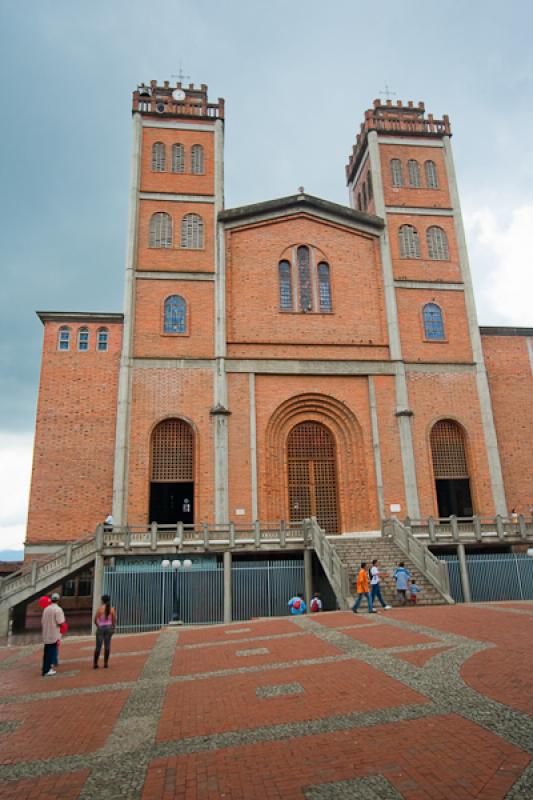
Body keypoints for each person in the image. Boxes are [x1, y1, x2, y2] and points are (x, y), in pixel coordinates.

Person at [41, 592, 65, 676]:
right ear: (58, 600)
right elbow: (61, 622)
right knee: (51, 652)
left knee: (46, 652)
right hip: (54, 634)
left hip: (46, 633)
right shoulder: (58, 609)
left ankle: (45, 668)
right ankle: (47, 670)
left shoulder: (46, 609)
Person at [93, 594, 117, 668]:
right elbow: (114, 620)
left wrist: (98, 626)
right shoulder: (112, 609)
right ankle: (106, 663)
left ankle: (95, 663)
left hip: (101, 628)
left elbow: (95, 620)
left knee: (98, 646)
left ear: (102, 601)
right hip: (109, 628)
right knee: (107, 646)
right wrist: (113, 628)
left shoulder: (99, 609)